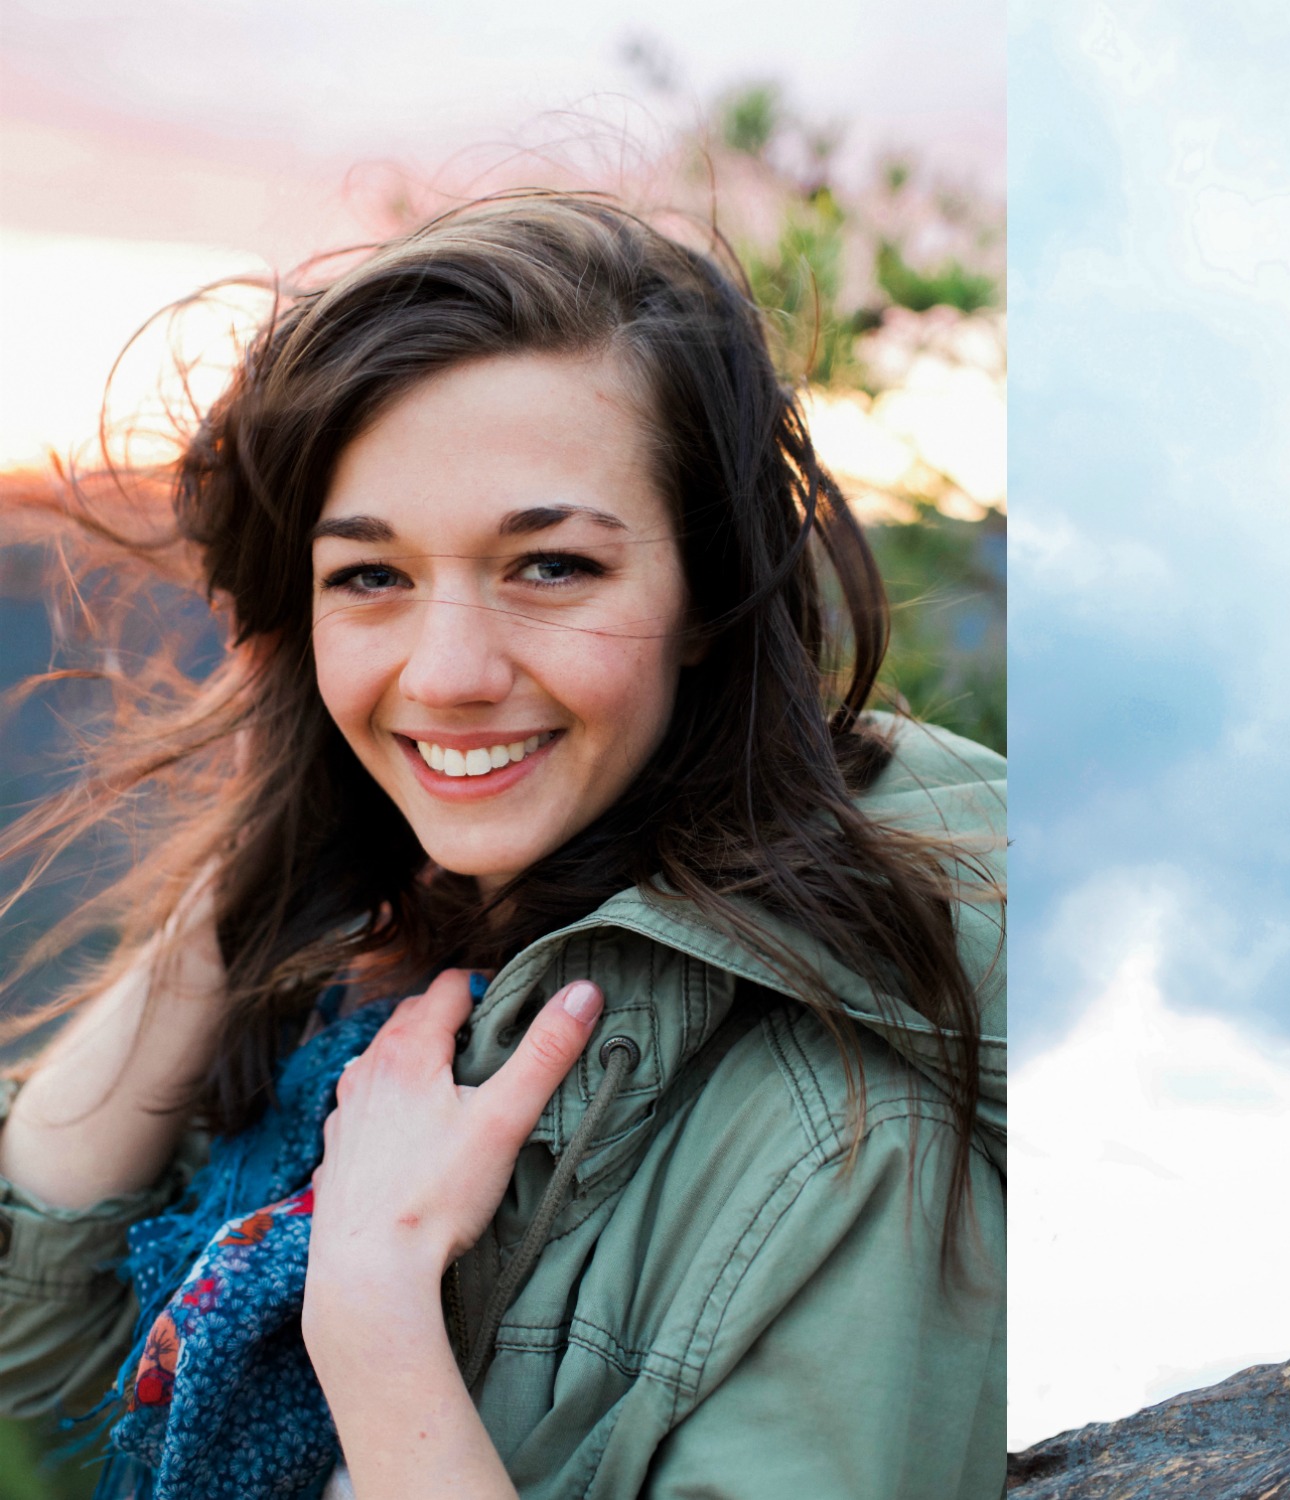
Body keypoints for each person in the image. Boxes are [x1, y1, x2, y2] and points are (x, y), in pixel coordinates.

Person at [0, 193, 1005, 1499]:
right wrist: (256, 856)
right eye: (371, 576)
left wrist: (372, 1322)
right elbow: (48, 1356)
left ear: (704, 592)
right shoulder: (386, 956)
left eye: (550, 568)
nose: (452, 671)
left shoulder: (843, 1133)